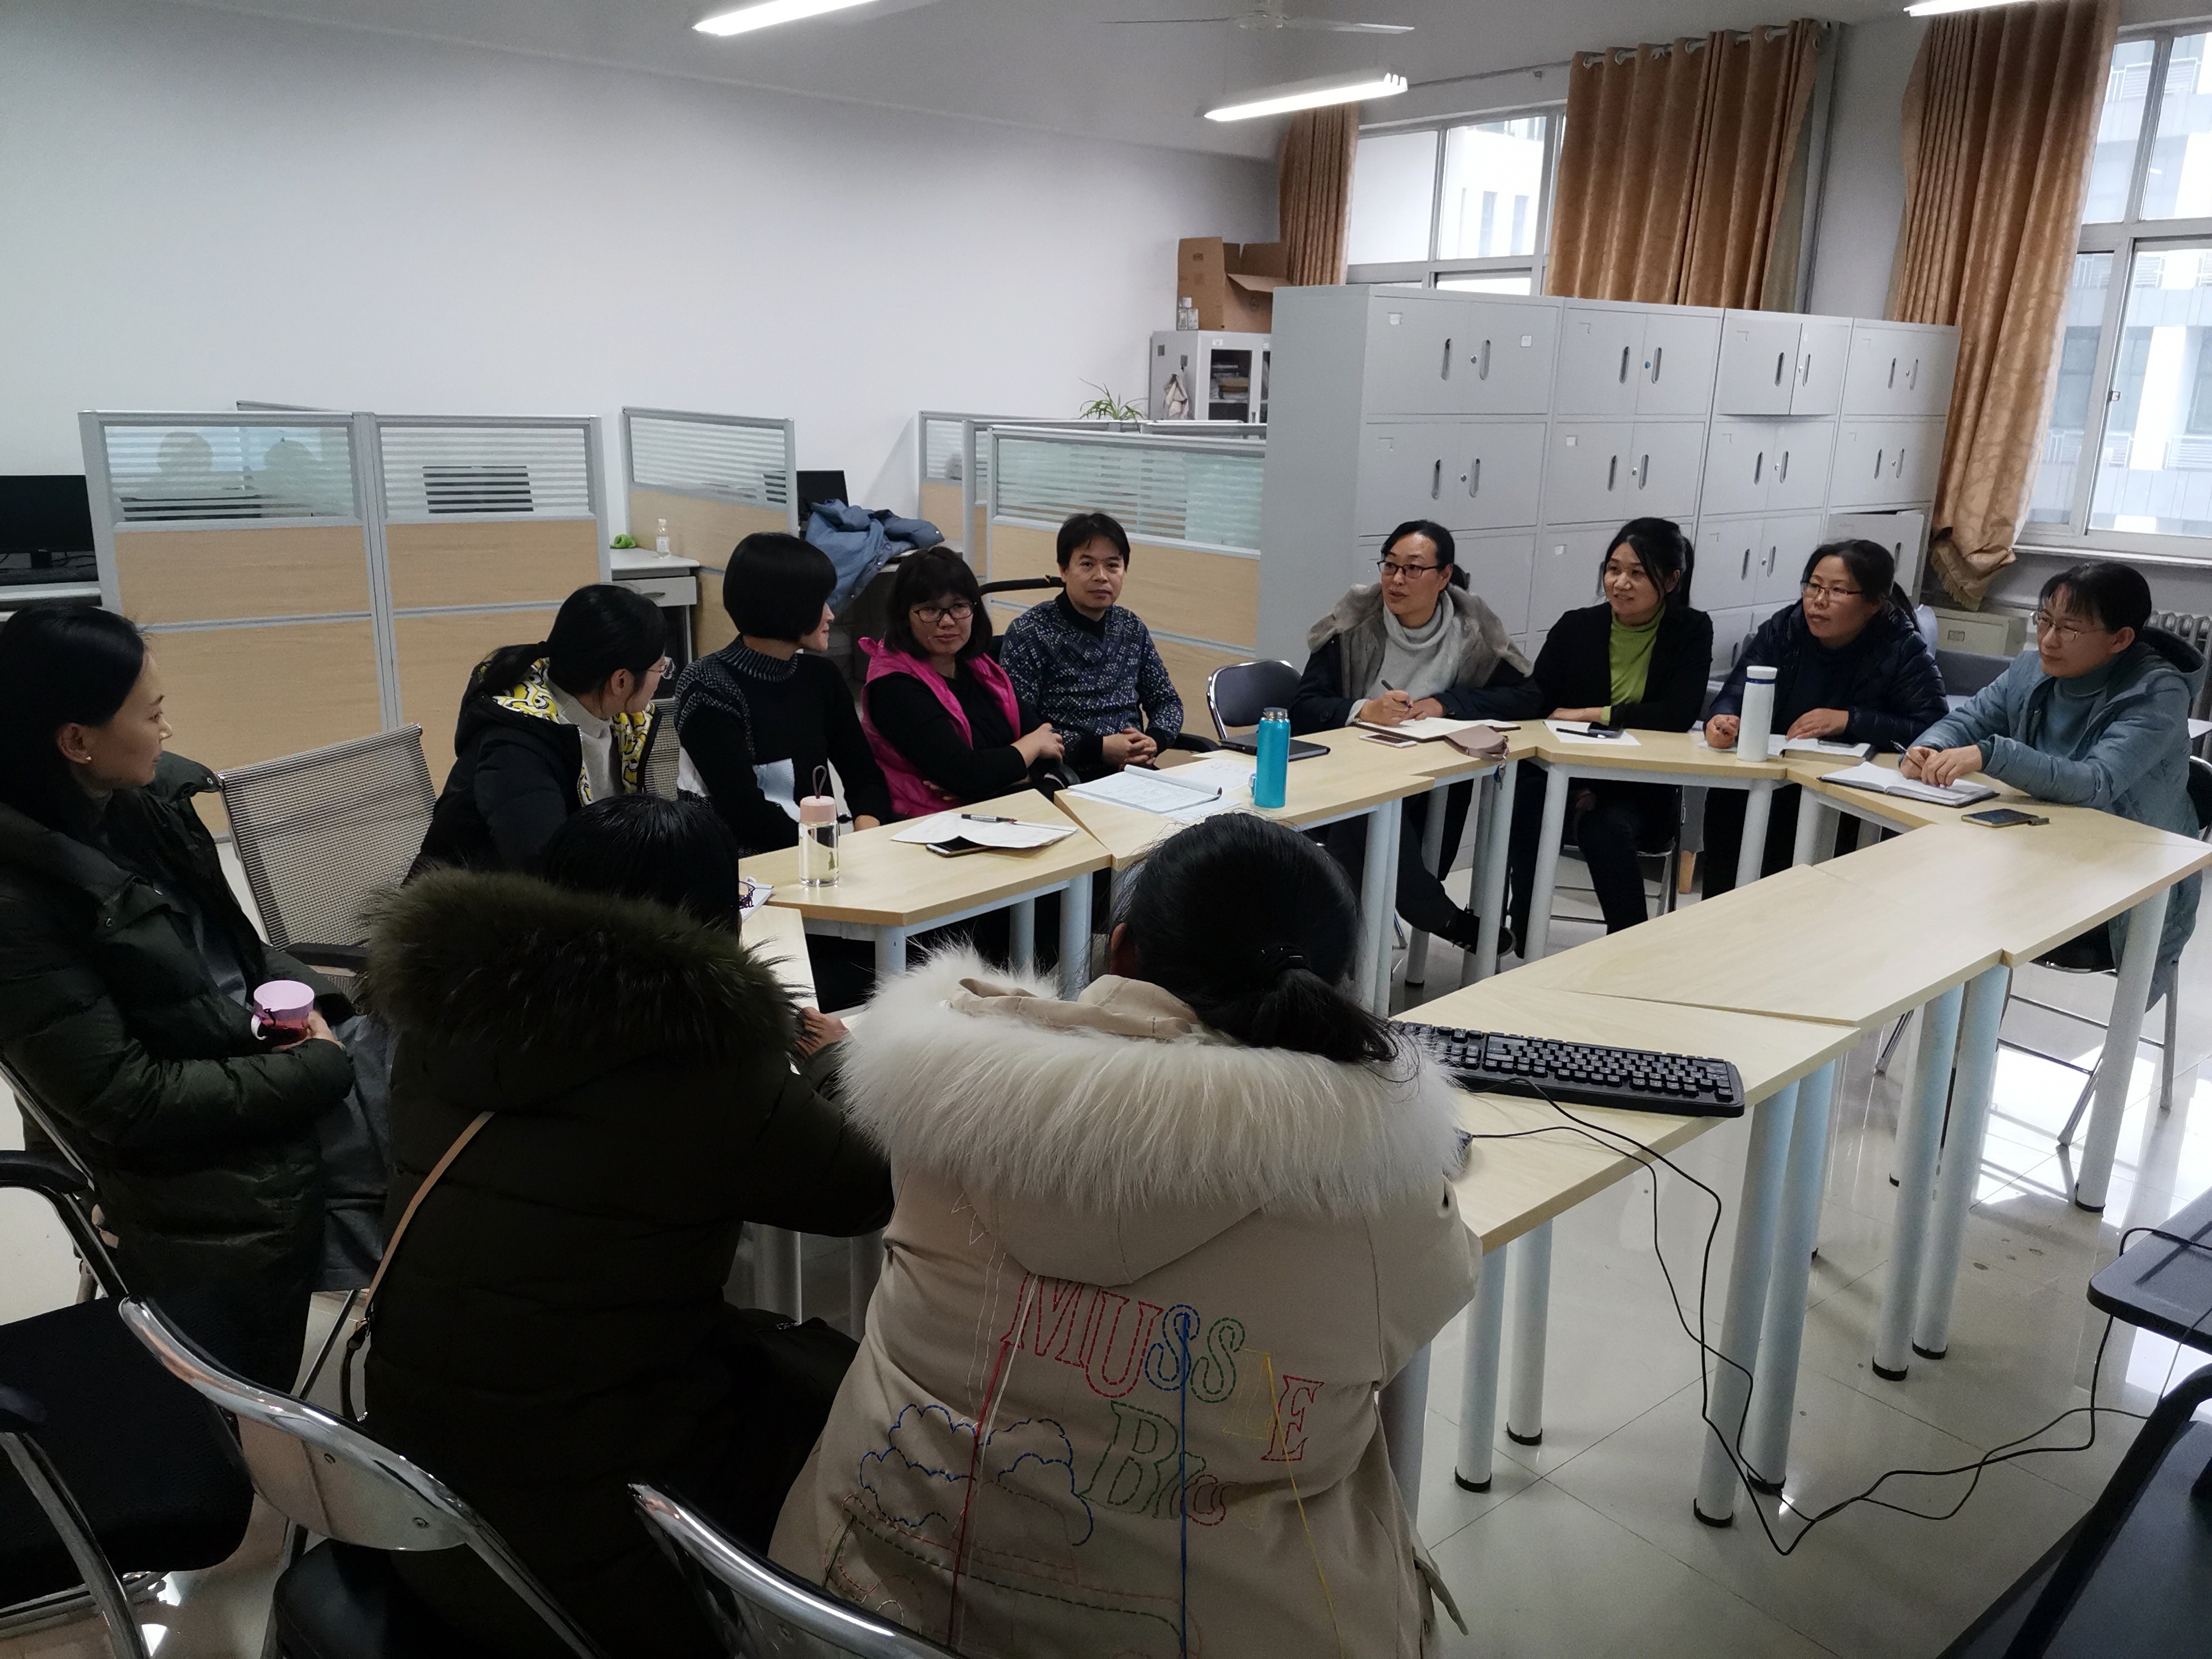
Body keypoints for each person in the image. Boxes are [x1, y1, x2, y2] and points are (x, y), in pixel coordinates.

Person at [774, 812, 1479, 1659]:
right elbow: (1440, 1287)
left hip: (858, 1609)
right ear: (1328, 985)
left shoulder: (942, 1100)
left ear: (1122, 951)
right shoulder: (1373, 1187)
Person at [360, 794, 895, 1659]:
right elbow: (866, 1190)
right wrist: (834, 1059)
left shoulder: (443, 1016)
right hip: (591, 1532)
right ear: (716, 922)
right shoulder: (709, 1064)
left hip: (408, 1482)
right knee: (852, 1397)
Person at [0, 605, 356, 1386]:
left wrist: (321, 1006)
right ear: (77, 741)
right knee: (465, 1158)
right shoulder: (18, 906)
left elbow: (234, 947)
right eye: (151, 714)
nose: (168, 730)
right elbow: (127, 1100)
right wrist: (318, 1067)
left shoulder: (137, 810)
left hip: (253, 1055)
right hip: (191, 1152)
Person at [1905, 560, 2203, 967]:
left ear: (2120, 639)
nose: (2047, 640)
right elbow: (1970, 719)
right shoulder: (2031, 669)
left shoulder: (2157, 694)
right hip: (2035, 850)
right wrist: (1930, 746)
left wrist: (1991, 754)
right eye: (2044, 621)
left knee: (1958, 906)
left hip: (2127, 878)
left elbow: (2095, 783)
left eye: (2069, 629)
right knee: (1931, 889)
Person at [1290, 517, 1532, 952]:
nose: (1397, 579)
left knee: (1363, 824)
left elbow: (1527, 696)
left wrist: (1445, 704)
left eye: (1413, 568)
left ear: (1444, 576)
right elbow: (1305, 708)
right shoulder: (1351, 626)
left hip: (1429, 786)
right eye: (1390, 565)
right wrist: (1364, 710)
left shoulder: (1473, 632)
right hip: (1345, 776)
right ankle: (1431, 913)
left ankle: (1339, 961)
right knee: (1365, 806)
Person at [1699, 538, 1948, 897]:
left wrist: (1850, 720)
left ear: (1874, 603)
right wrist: (1723, 718)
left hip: (1845, 793)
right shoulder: (1785, 628)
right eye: (1813, 586)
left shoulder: (1901, 646)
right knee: (1730, 801)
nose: (1818, 600)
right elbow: (1738, 688)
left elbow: (1935, 728)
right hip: (1775, 775)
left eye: (1837, 591)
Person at [1505, 517, 1713, 944]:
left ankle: (1630, 949)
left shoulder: (1690, 630)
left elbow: (1676, 714)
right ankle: (1521, 933)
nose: (1620, 583)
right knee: (1526, 800)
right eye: (1613, 569)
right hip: (1566, 776)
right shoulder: (1576, 627)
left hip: (1639, 787)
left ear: (1671, 580)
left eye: (1637, 573)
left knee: (1605, 826)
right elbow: (1540, 702)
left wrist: (1593, 713)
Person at [414, 583, 668, 874]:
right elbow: (544, 871)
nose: (662, 676)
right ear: (621, 681)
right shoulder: (516, 747)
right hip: (471, 899)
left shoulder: (618, 723)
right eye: (660, 667)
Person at [677, 532, 892, 852]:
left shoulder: (821, 677)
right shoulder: (708, 685)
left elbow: (863, 774)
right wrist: (828, 853)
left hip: (818, 853)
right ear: (787, 607)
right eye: (820, 603)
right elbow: (744, 811)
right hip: (746, 863)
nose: (831, 614)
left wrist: (866, 835)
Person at [859, 547, 1068, 812]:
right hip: (928, 822)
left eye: (959, 607)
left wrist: (1001, 776)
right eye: (930, 610)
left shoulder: (979, 666)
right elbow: (969, 775)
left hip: (1001, 809)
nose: (947, 621)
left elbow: (1048, 742)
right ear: (904, 617)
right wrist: (1029, 749)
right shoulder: (893, 687)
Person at [998, 510, 1184, 777]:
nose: (1101, 576)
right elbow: (1021, 726)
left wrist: (1154, 740)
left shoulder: (1131, 627)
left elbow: (1167, 701)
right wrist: (1099, 748)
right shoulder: (1030, 631)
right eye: (1087, 564)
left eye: (1112, 565)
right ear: (1063, 570)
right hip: (1064, 775)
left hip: (1134, 772)